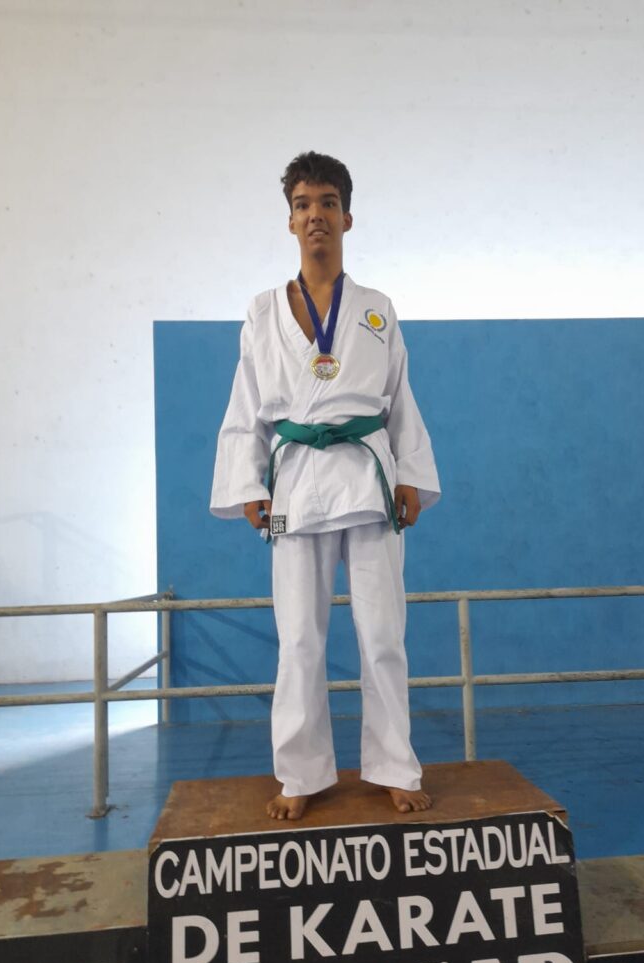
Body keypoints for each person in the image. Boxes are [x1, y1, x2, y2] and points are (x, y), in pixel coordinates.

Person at [210, 152, 440, 820]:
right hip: (296, 483)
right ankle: (302, 772)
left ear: (347, 216)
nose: (318, 214)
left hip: (367, 479)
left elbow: (400, 399)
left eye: (329, 202)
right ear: (290, 220)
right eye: (305, 203)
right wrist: (248, 482)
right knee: (300, 640)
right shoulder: (260, 314)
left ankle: (394, 763)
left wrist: (410, 476)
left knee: (382, 634)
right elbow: (244, 407)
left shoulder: (375, 309)